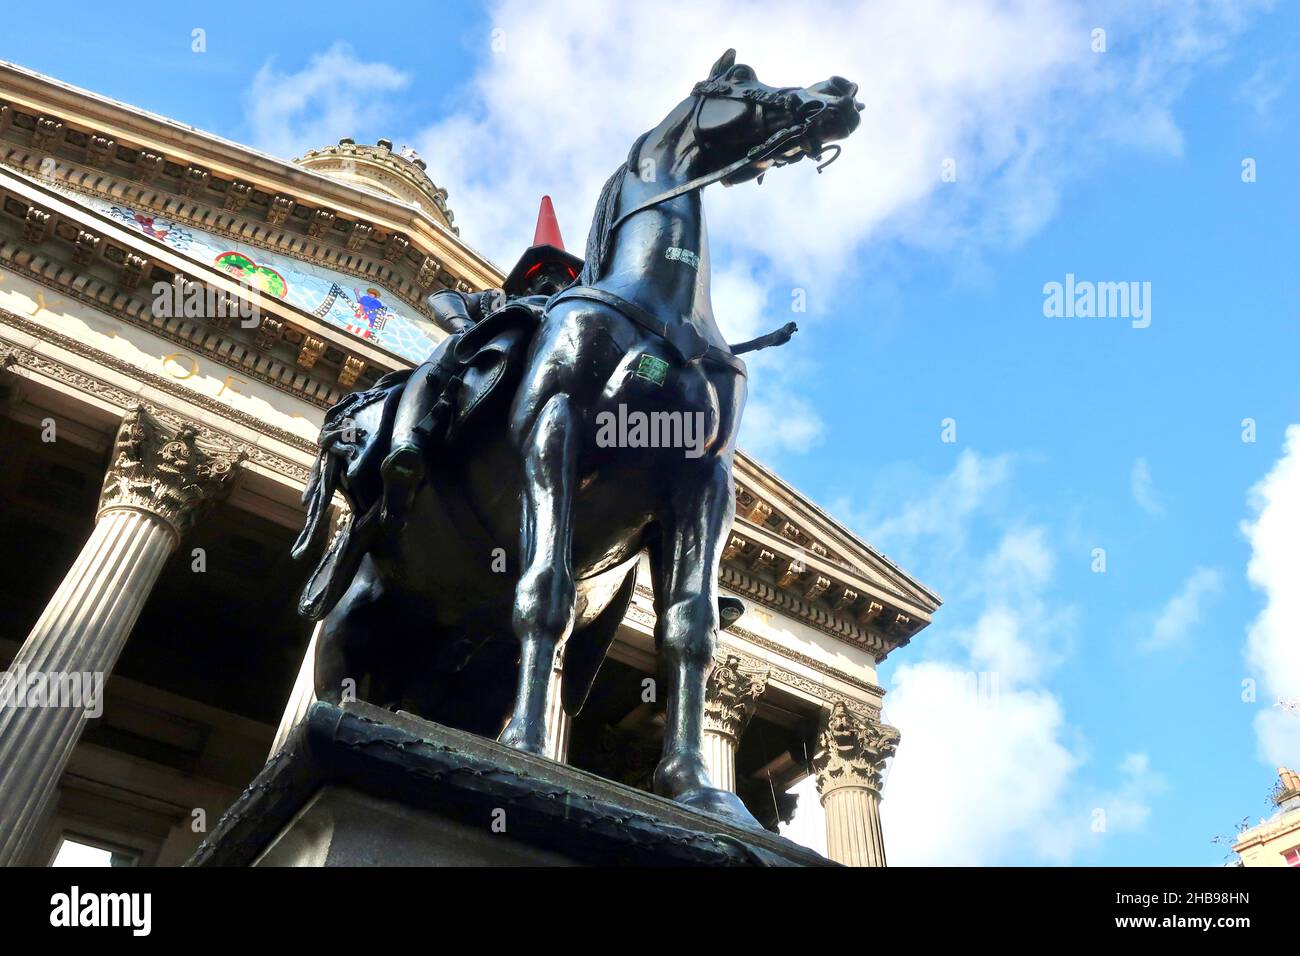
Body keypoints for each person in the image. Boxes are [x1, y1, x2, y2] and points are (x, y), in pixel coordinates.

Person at [380, 196, 583, 525]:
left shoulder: (576, 322)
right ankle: (407, 445)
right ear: (526, 279)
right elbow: (443, 298)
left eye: (564, 275)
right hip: (486, 364)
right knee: (447, 348)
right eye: (545, 271)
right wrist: (465, 330)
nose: (554, 278)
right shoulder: (497, 300)